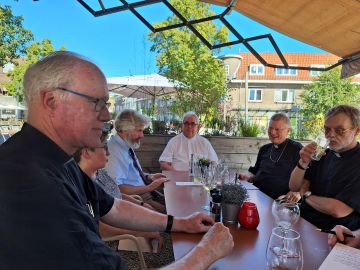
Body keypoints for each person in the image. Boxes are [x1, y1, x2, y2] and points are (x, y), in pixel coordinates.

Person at [0, 51, 233, 269]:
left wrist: (180, 223)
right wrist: (206, 252)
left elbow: (113, 206)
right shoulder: (27, 184)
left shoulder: (56, 159)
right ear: (51, 101)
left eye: (107, 104)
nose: (107, 115)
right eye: (96, 102)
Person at [289, 105, 360, 230]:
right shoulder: (324, 154)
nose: (330, 135)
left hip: (335, 233)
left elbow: (338, 210)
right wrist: (303, 162)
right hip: (303, 222)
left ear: (356, 131)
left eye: (339, 130)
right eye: (327, 129)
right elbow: (294, 186)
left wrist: (306, 194)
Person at [105, 109, 168, 213]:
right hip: (136, 199)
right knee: (173, 214)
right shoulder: (113, 151)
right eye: (139, 130)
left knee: (178, 204)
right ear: (126, 130)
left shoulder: (125, 145)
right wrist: (149, 187)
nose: (142, 135)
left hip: (146, 194)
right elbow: (117, 188)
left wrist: (149, 176)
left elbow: (132, 175)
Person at [239, 113, 303, 201]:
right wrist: (247, 177)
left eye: (277, 129)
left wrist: (298, 192)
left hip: (279, 202)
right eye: (270, 128)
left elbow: (308, 178)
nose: (272, 132)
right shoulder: (265, 149)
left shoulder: (297, 149)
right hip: (257, 195)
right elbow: (255, 172)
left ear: (288, 131)